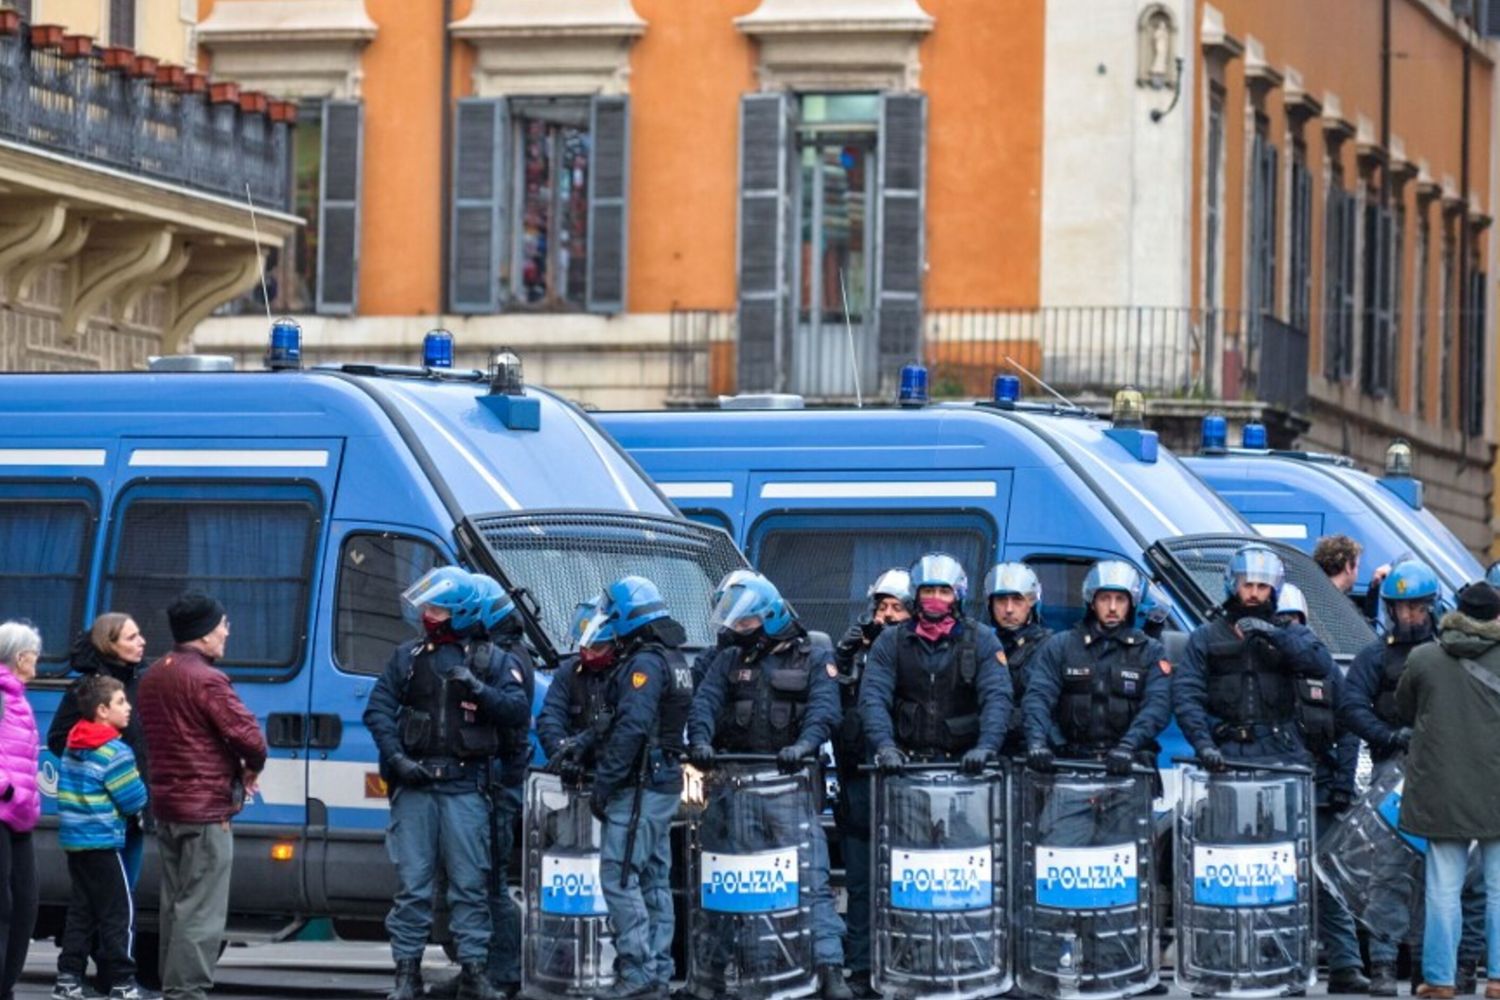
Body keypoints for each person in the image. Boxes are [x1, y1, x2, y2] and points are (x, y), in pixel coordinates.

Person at [363, 567, 531, 1000]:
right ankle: (406, 975)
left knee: (469, 887)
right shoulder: (408, 656)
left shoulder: (493, 660)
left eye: (437, 608)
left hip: (466, 787)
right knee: (412, 887)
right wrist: (398, 759)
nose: (428, 615)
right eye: (428, 607)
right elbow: (378, 710)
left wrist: (477, 688)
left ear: (460, 612)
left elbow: (516, 712)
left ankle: (475, 972)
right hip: (415, 786)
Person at [687, 573, 850, 1000]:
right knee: (728, 882)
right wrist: (701, 740)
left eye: (744, 623)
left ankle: (830, 969)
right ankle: (713, 975)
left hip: (788, 786)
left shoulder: (813, 655)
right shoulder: (727, 659)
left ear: (770, 616)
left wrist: (804, 745)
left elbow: (825, 710)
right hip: (733, 786)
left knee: (808, 882)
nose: (737, 631)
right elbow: (704, 703)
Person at [1340, 561, 1485, 996]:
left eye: (1415, 608)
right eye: (1400, 608)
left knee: (1451, 873)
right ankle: (1383, 962)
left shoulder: (1447, 651)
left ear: (1431, 607)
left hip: (1442, 768)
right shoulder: (1375, 655)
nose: (1407, 616)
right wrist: (1387, 735)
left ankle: (1435, 963)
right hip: (1393, 767)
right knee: (1390, 869)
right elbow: (1350, 706)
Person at [137, 593, 267, 1000]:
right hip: (206, 809)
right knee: (202, 910)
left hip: (168, 805)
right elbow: (251, 738)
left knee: (175, 904)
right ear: (203, 633)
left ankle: (173, 985)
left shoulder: (156, 673)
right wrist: (250, 767)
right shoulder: (207, 679)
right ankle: (187, 990)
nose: (227, 631)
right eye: (222, 624)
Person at [576, 576, 694, 1000]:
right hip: (661, 784)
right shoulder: (672, 658)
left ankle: (638, 972)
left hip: (640, 785)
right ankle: (658, 970)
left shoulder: (644, 664)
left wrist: (605, 784)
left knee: (620, 876)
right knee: (653, 878)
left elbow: (632, 727)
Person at [1396, 581, 1500, 1000]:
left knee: (1442, 889)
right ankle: (1497, 979)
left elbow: (1405, 709)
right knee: (1499, 890)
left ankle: (1439, 980)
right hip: (1496, 787)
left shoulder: (1423, 658)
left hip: (1442, 789)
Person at [1274, 584, 1369, 995]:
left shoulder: (1324, 666)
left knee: (1328, 882)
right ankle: (1281, 961)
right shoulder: (1265, 666)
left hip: (1320, 788)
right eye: (1283, 623)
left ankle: (1345, 965)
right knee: (1278, 880)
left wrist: (1343, 784)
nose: (1290, 631)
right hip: (1279, 788)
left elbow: (1347, 723)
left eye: (1293, 621)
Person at [1173, 543, 1332, 769]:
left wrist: (1272, 634)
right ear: (1233, 585)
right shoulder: (1206, 636)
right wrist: (1204, 745)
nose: (1255, 594)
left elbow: (1321, 665)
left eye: (1262, 586)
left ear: (1274, 590)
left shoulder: (1290, 631)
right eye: (1248, 585)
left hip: (1282, 754)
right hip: (1226, 753)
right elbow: (1187, 694)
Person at [52, 674, 157, 1000]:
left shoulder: (73, 743)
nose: (129, 708)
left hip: (75, 840)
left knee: (81, 911)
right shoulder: (116, 751)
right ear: (101, 710)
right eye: (121, 702)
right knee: (119, 912)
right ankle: (123, 981)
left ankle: (68, 977)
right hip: (104, 841)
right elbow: (133, 798)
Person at [831, 568, 910, 999]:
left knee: (902, 880)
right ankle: (861, 967)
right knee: (860, 880)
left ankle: (902, 960)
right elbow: (830, 700)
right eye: (882, 608)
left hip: (900, 780)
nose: (887, 616)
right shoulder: (855, 651)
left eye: (897, 608)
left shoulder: (916, 654)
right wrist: (842, 660)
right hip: (856, 779)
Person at [860, 552, 1012, 775]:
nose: (935, 598)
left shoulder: (981, 639)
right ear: (916, 595)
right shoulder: (891, 640)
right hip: (904, 765)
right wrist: (885, 746)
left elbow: (997, 696)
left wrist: (987, 747)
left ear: (957, 596)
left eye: (944, 592)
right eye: (928, 591)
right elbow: (873, 696)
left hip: (965, 767)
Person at [1021, 559, 1170, 778]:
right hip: (1071, 768)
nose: (1112, 607)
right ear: (1092, 601)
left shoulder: (1150, 651)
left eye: (1120, 599)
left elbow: (1158, 706)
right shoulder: (1062, 645)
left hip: (1129, 768)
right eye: (1104, 598)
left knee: (1136, 814)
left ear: (1131, 603)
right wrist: (1037, 742)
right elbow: (1038, 697)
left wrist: (1128, 746)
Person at [48, 613, 151, 888]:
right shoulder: (87, 689)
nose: (142, 642)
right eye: (131, 637)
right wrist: (105, 764)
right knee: (102, 902)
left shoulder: (142, 681)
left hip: (133, 811)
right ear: (110, 644)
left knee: (124, 892)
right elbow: (59, 739)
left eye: (139, 634)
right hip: (100, 814)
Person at [0, 622, 42, 1000]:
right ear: (20, 657)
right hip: (2, 812)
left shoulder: (17, 697)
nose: (38, 660)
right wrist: (8, 790)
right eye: (35, 653)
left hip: (20, 820)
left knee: (25, 903)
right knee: (3, 906)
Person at [984, 562, 1053, 758]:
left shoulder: (1049, 647)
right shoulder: (980, 643)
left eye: (1017, 600)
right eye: (1001, 600)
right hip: (986, 754)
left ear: (1031, 603)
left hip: (1032, 753)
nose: (1008, 609)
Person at [1313, 534, 1386, 624]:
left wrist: (1374, 587)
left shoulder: (1314, 596)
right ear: (1348, 566)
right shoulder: (1338, 607)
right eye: (1357, 567)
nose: (1357, 574)